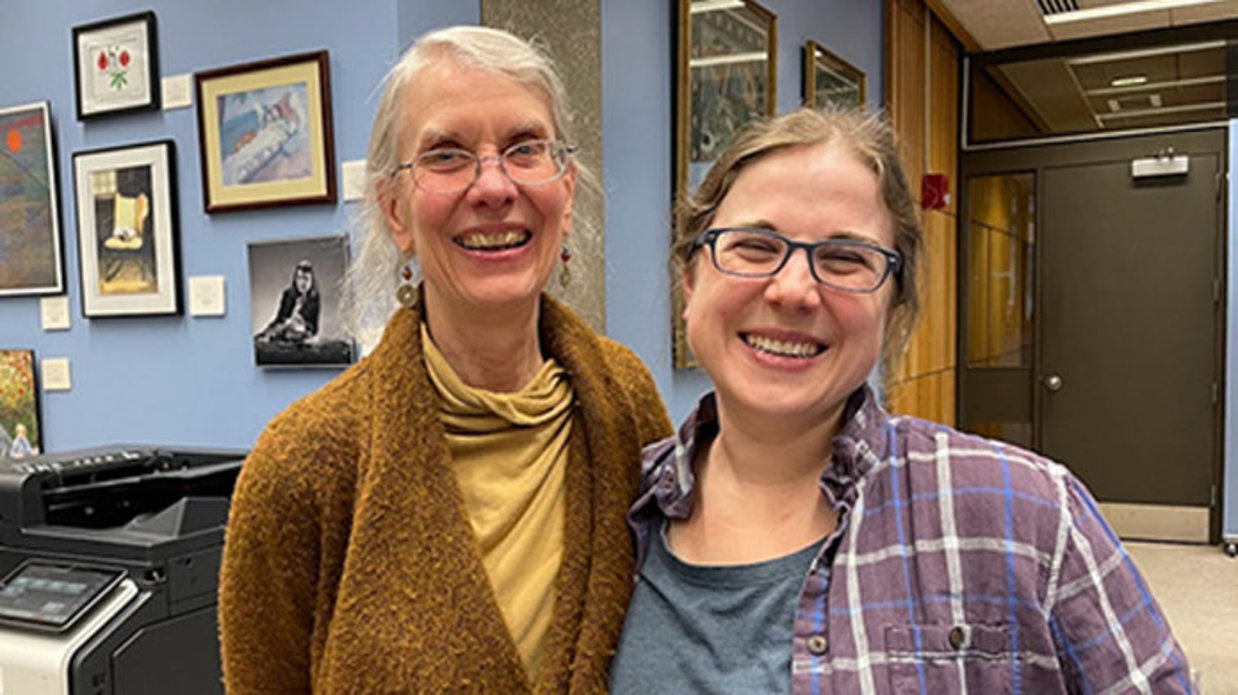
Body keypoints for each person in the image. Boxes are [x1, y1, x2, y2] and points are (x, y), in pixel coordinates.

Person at [609, 108, 1195, 694]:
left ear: (892, 306)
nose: (792, 290)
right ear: (690, 280)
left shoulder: (1029, 517)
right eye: (755, 246)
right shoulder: (609, 512)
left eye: (845, 259)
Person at [219, 26, 672, 694]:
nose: (493, 185)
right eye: (447, 155)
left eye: (524, 148)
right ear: (395, 211)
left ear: (566, 192)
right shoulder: (303, 464)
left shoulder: (625, 401)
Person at [255, 259, 320, 344]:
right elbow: (280, 318)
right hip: (284, 328)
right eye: (299, 278)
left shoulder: (314, 297)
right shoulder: (288, 294)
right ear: (295, 279)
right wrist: (272, 329)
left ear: (312, 281)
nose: (303, 283)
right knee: (260, 338)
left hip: (302, 333)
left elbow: (314, 327)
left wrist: (302, 325)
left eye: (306, 279)